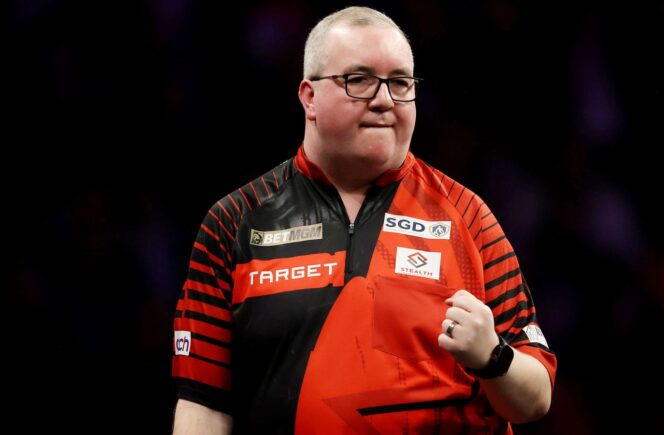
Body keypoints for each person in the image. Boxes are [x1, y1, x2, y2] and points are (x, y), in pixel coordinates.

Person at [171, 6, 556, 434]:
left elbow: (536, 397)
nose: (384, 99)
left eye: (400, 82)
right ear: (309, 97)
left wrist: (493, 356)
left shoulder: (468, 216)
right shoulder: (234, 222)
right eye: (359, 80)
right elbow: (203, 405)